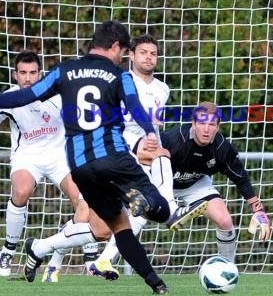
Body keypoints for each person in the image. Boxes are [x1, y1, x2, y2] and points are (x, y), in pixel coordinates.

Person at [0, 20, 181, 294]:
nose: (121, 57)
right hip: (113, 157)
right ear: (114, 47)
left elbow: (25, 96)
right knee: (162, 210)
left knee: (118, 227)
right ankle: (139, 201)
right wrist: (149, 131)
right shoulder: (119, 74)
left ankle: (157, 284)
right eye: (122, 51)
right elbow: (133, 105)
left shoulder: (64, 70)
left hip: (81, 168)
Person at [0, 50, 110, 279]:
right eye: (23, 73)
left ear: (40, 73)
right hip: (27, 156)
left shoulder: (58, 95)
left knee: (84, 199)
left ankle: (87, 254)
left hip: (59, 155)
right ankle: (9, 248)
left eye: (33, 73)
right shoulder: (7, 98)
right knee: (22, 190)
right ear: (15, 75)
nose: (28, 78)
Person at [90, 100, 271, 269]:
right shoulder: (173, 140)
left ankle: (228, 269)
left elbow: (241, 179)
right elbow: (145, 160)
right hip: (162, 183)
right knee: (139, 215)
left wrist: (258, 210)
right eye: (201, 123)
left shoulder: (223, 149)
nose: (206, 129)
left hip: (196, 184)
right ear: (193, 124)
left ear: (218, 127)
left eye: (211, 125)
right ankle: (103, 261)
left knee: (225, 220)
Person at [87, 34, 208, 276]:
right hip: (121, 143)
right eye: (143, 52)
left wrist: (152, 130)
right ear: (131, 55)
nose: (149, 57)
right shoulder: (119, 81)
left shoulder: (163, 89)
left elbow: (155, 125)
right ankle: (173, 209)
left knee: (142, 209)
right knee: (162, 156)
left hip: (147, 146)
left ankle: (100, 259)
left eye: (153, 53)